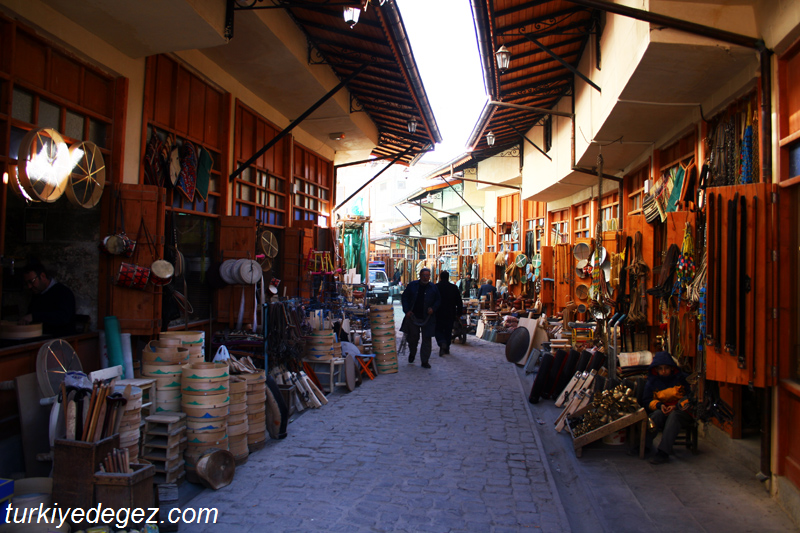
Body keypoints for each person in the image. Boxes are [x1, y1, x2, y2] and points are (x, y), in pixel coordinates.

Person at [641, 351, 694, 465]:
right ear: (656, 369)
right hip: (663, 410)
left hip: (681, 412)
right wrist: (660, 405)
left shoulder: (682, 379)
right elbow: (647, 400)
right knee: (656, 416)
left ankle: (663, 452)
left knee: (674, 417)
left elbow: (692, 397)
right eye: (660, 369)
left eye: (666, 368)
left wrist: (676, 406)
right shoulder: (652, 382)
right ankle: (643, 446)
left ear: (672, 368)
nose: (663, 371)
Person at [18, 262, 76, 337]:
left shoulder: (63, 292)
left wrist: (34, 317)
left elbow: (63, 318)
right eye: (27, 283)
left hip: (59, 340)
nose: (29, 286)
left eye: (31, 281)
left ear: (43, 276)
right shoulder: (37, 294)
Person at [400, 267, 440, 369]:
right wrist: (407, 310)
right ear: (420, 276)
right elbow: (404, 298)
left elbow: (438, 301)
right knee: (413, 338)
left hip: (427, 318)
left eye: (427, 276)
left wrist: (433, 308)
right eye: (424, 275)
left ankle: (425, 361)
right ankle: (412, 353)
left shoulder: (433, 288)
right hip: (414, 316)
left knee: (427, 340)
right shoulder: (412, 286)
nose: (426, 277)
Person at [434, 271, 463, 357]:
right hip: (450, 313)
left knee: (438, 329)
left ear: (440, 277)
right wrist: (459, 313)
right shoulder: (453, 288)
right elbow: (459, 301)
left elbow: (432, 299)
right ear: (448, 277)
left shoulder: (436, 287)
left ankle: (441, 342)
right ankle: (446, 347)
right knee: (448, 330)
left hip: (438, 313)